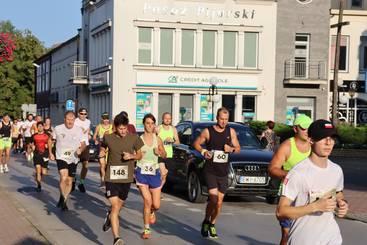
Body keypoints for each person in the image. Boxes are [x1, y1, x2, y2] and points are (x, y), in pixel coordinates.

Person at [276, 119, 348, 245]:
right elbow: (281, 211)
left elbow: (338, 193)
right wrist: (315, 206)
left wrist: (342, 204)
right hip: (304, 239)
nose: (328, 142)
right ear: (311, 140)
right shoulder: (298, 173)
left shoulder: (336, 170)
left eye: (332, 138)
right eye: (323, 138)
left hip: (332, 237)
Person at [193, 107, 240, 239]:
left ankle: (211, 223)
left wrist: (230, 149)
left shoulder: (231, 131)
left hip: (223, 172)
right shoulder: (208, 131)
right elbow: (196, 143)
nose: (224, 122)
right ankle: (206, 220)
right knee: (213, 199)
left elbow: (238, 149)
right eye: (221, 119)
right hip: (210, 171)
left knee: (219, 203)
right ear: (217, 118)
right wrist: (203, 152)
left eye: (226, 119)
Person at [268, 114, 312, 245]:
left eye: (309, 128)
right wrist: (290, 175)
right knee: (288, 235)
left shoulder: (314, 145)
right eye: (304, 128)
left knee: (307, 235)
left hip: (310, 196)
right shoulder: (287, 146)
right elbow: (272, 169)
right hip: (290, 197)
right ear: (295, 129)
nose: (307, 131)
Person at [99, 113, 143, 245]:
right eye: (120, 129)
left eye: (125, 129)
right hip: (111, 177)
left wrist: (131, 156)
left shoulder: (134, 138)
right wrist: (101, 152)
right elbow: (102, 147)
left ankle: (109, 216)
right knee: (114, 205)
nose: (123, 131)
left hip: (126, 178)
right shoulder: (108, 137)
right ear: (115, 127)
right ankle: (117, 238)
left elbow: (140, 155)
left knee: (118, 207)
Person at [136, 114, 166, 239]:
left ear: (154, 125)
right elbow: (135, 155)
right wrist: (138, 155)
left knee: (156, 205)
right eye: (147, 123)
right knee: (147, 201)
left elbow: (164, 154)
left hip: (154, 172)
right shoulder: (138, 139)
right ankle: (146, 229)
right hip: (141, 172)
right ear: (144, 124)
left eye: (152, 123)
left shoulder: (157, 139)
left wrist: (160, 152)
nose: (149, 125)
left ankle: (152, 211)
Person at [49, 111, 86, 211]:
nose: (70, 122)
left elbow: (83, 143)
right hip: (61, 156)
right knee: (63, 176)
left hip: (73, 158)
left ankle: (63, 197)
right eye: (68, 119)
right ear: (64, 119)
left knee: (69, 181)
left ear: (74, 120)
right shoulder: (58, 128)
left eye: (72, 120)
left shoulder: (78, 130)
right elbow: (50, 140)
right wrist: (50, 153)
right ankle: (64, 201)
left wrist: (80, 149)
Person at [156, 112, 179, 188]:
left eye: (169, 118)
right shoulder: (158, 128)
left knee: (164, 176)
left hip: (169, 155)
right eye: (166, 118)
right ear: (163, 119)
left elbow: (178, 142)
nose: (167, 120)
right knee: (163, 172)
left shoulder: (173, 129)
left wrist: (172, 141)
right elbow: (152, 139)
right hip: (160, 154)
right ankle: (157, 191)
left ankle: (158, 189)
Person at [93, 112, 113, 188]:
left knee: (108, 166)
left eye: (107, 118)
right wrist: (97, 139)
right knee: (102, 165)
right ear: (102, 119)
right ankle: (103, 180)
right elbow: (94, 136)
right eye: (104, 119)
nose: (106, 120)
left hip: (110, 149)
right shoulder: (98, 127)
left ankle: (107, 179)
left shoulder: (112, 126)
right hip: (101, 148)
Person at [31, 121, 52, 192]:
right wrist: (32, 147)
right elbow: (32, 144)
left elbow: (50, 144)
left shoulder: (47, 135)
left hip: (45, 155)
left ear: (43, 127)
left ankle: (38, 175)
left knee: (44, 172)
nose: (40, 127)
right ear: (37, 127)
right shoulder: (34, 136)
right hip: (37, 154)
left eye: (41, 126)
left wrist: (50, 153)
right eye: (39, 126)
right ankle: (39, 185)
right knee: (38, 169)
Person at [74, 108, 91, 193]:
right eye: (81, 113)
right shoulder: (75, 121)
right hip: (76, 145)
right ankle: (73, 180)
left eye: (85, 114)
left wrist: (89, 134)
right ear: (78, 114)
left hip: (86, 145)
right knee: (74, 164)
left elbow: (88, 131)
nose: (83, 115)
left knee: (86, 165)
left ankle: (81, 183)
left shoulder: (88, 121)